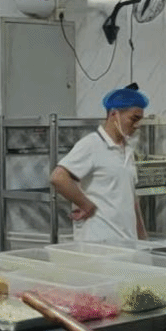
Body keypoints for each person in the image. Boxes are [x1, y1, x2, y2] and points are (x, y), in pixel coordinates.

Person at [50, 83, 149, 243]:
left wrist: (143, 240)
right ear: (114, 114)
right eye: (134, 119)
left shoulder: (127, 150)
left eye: (140, 120)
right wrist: (86, 205)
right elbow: (58, 177)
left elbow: (131, 200)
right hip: (98, 245)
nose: (137, 125)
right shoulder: (92, 145)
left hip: (126, 243)